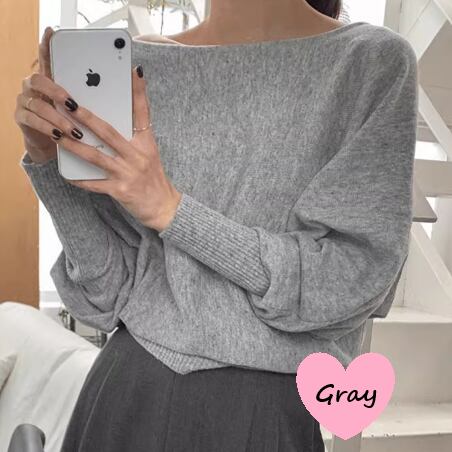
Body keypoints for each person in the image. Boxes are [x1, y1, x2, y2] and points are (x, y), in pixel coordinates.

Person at [14, 0, 418, 450]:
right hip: (125, 391)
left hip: (261, 412)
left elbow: (347, 280)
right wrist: (47, 161)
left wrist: (172, 211)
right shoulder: (140, 67)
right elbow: (103, 294)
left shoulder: (369, 62)